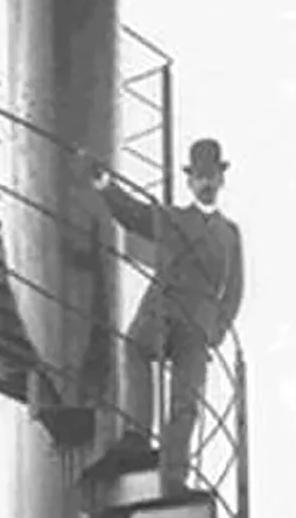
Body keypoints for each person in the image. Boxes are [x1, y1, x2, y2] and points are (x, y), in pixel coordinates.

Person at [92, 137, 244, 493]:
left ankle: (174, 475)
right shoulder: (174, 218)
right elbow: (134, 215)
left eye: (211, 176)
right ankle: (137, 435)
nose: (206, 183)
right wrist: (106, 186)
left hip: (199, 323)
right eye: (200, 177)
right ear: (190, 182)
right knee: (134, 347)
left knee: (185, 401)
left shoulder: (230, 234)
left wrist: (216, 331)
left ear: (221, 180)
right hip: (163, 308)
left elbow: (234, 291)